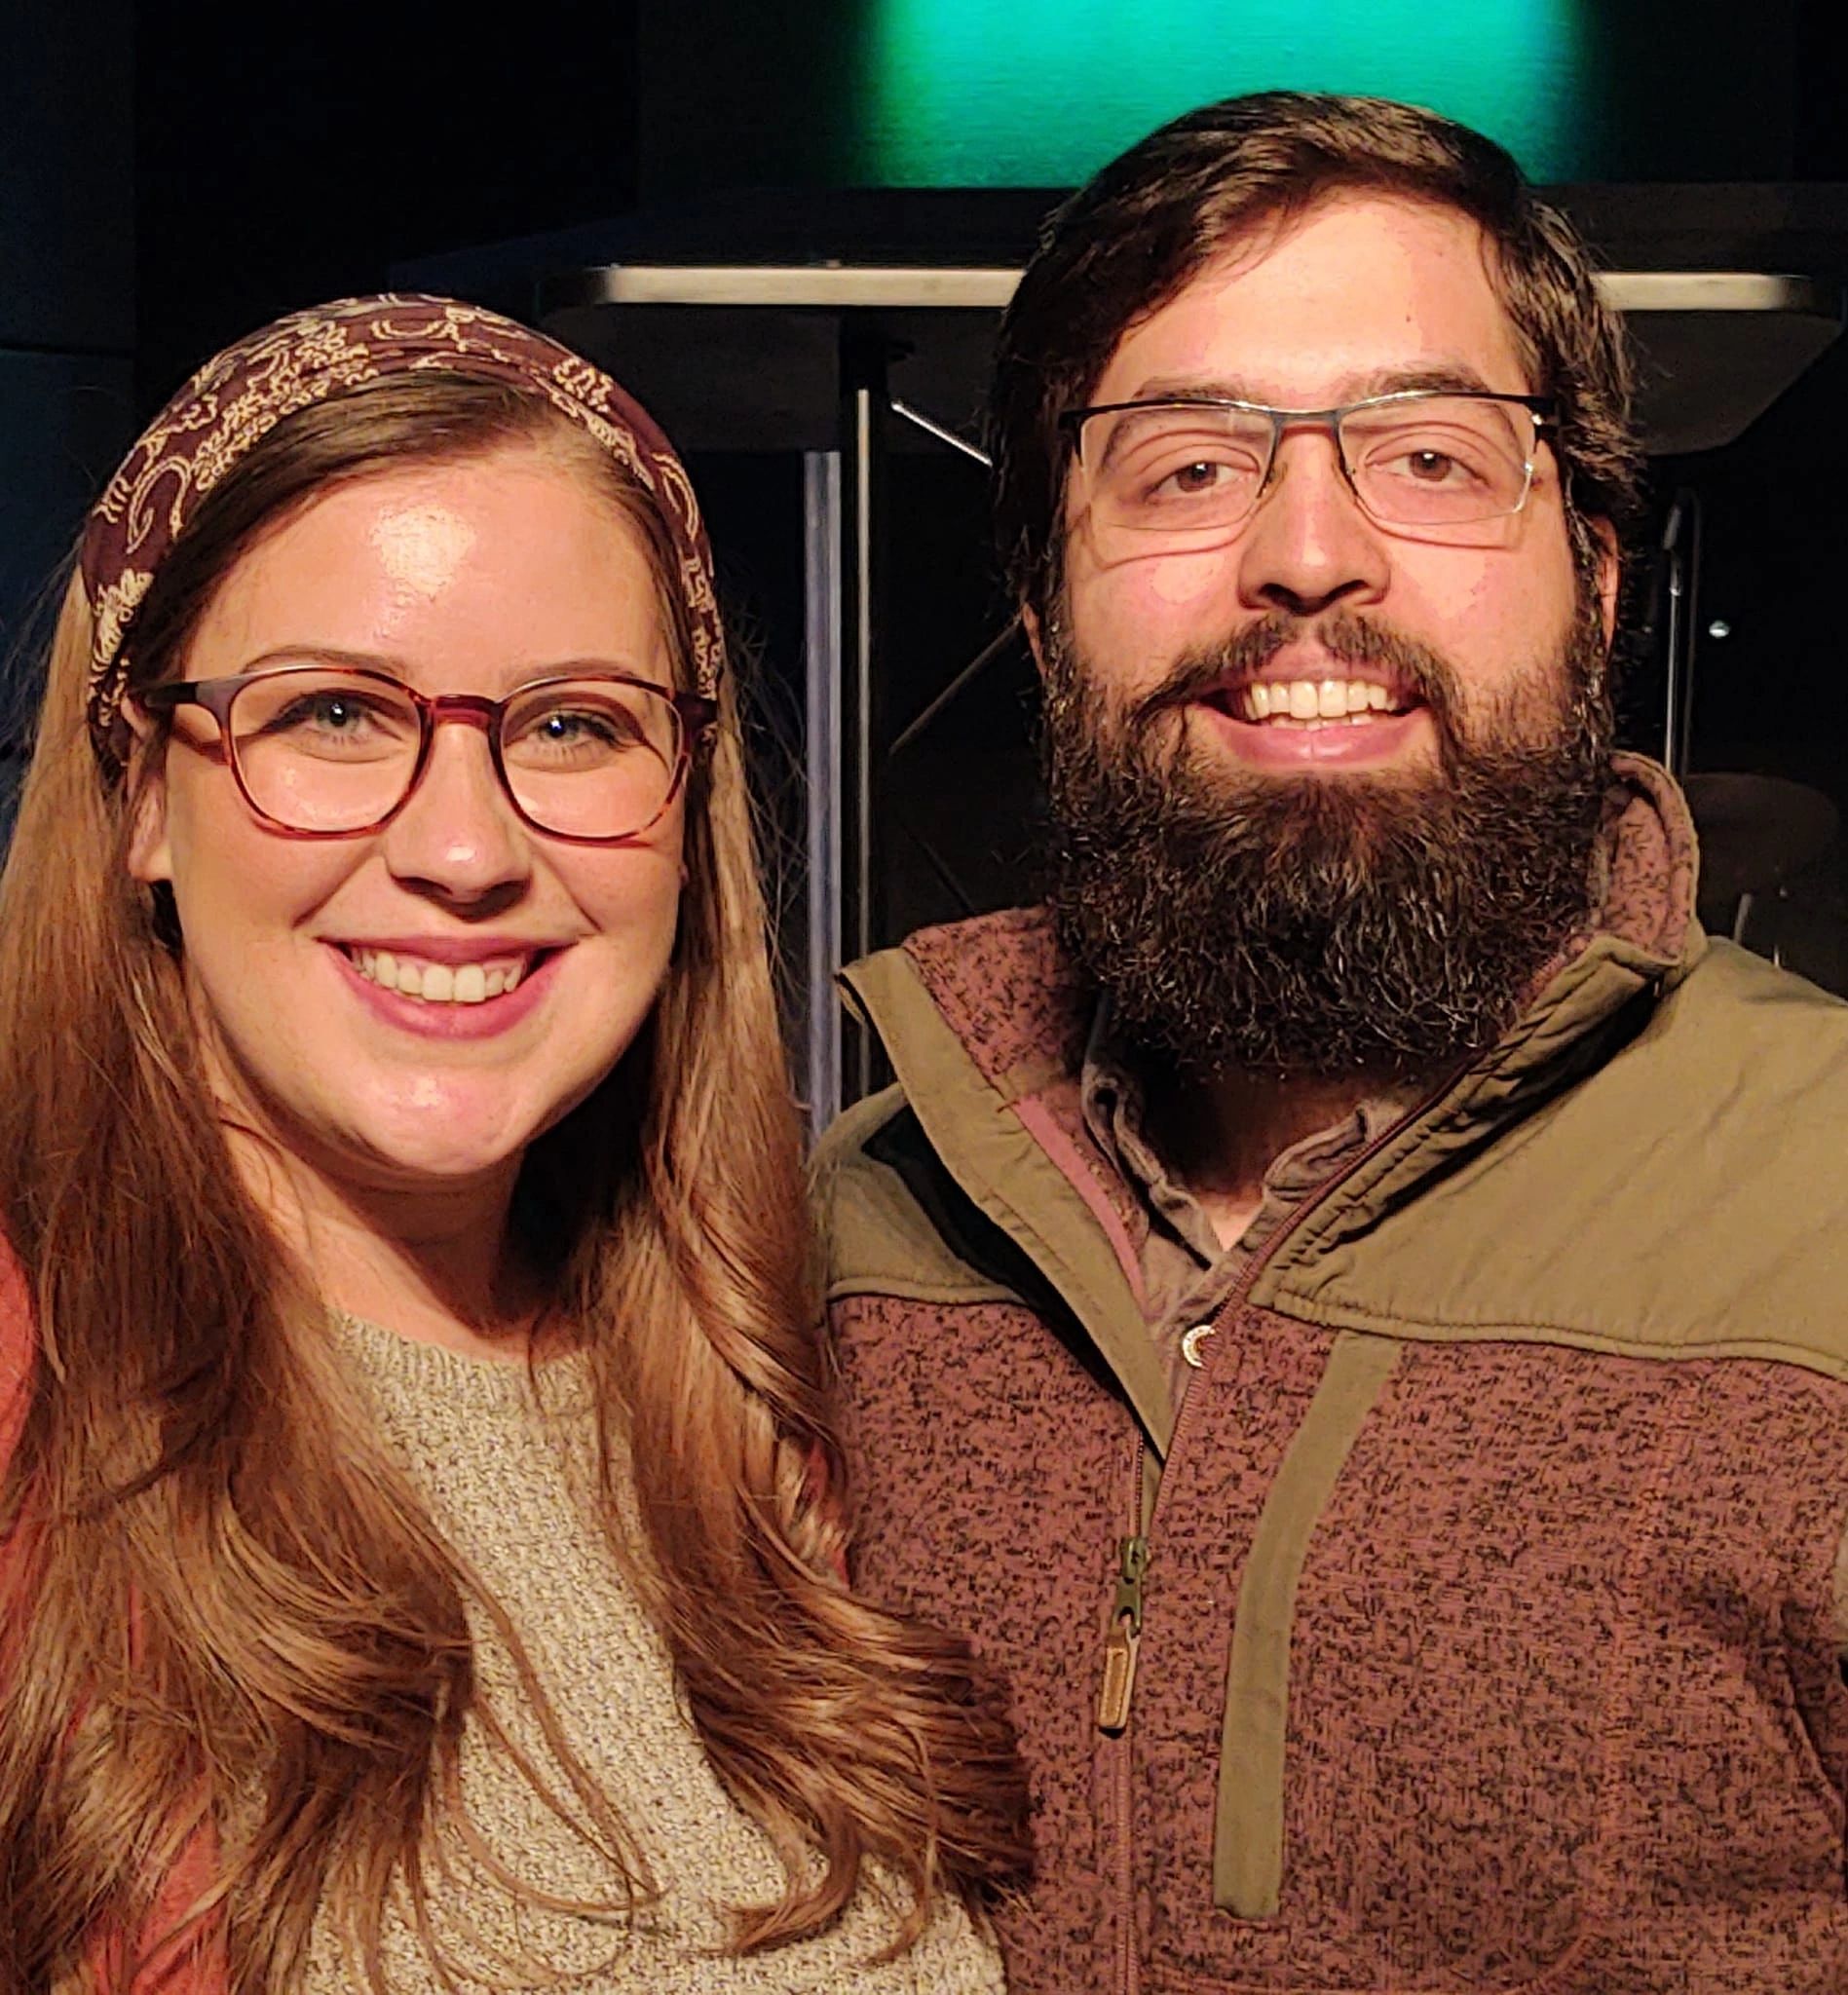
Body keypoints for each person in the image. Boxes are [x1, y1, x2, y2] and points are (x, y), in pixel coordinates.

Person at [816, 93, 1848, 1995]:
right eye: (1186, 469)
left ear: (1599, 582)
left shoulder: (1822, 1203)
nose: (1309, 555)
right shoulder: (819, 1251)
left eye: (1431, 455)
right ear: (1043, 612)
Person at [0, 295, 1026, 1993]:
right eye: (332, 714)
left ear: (685, 815)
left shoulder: (767, 1422)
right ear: (139, 797)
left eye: (572, 725)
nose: (465, 847)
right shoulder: (38, 1420)